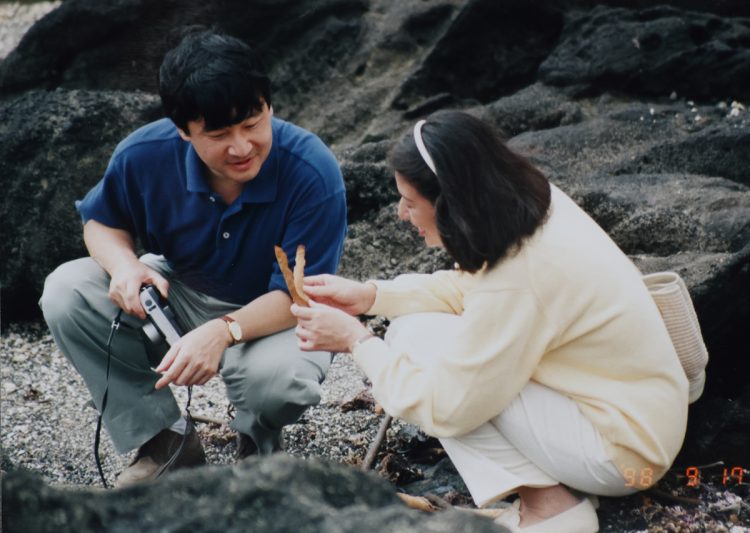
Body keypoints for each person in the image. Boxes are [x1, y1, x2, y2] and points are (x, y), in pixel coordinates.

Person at [291, 111, 689, 532]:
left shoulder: (519, 280)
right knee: (413, 328)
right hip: (642, 415)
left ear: (450, 203)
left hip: (625, 456)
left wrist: (358, 341)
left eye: (409, 202)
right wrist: (372, 296)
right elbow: (475, 289)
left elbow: (446, 408)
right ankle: (556, 490)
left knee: (418, 350)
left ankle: (552, 510)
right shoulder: (535, 206)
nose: (400, 215)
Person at [39, 30, 347, 487]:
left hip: (279, 310)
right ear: (183, 131)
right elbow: (101, 222)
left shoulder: (312, 170)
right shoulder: (144, 154)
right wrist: (125, 265)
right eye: (219, 134)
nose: (242, 147)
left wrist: (222, 333)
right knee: (66, 292)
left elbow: (300, 294)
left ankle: (258, 445)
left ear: (269, 106)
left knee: (278, 382)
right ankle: (165, 442)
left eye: (252, 123)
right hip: (180, 290)